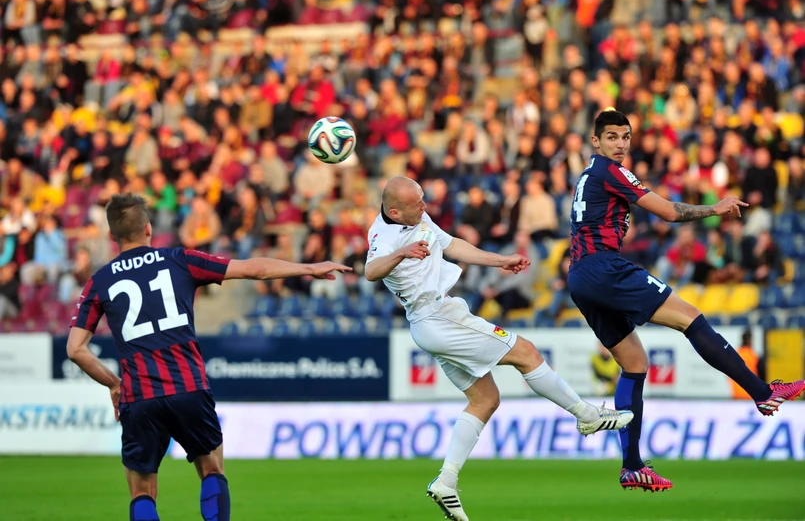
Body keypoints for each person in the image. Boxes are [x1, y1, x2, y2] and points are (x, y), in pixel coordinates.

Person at [66, 193, 350, 521]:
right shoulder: (178, 259)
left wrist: (114, 384)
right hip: (188, 387)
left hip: (140, 395)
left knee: (142, 491)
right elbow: (254, 269)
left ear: (113, 234)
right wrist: (309, 267)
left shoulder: (100, 281)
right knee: (212, 470)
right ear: (148, 228)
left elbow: (75, 349)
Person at [365, 177, 633, 521]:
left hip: (431, 323)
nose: (425, 207)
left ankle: (446, 481)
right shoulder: (385, 236)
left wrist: (499, 260)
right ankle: (587, 416)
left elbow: (453, 245)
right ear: (394, 211)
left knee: (485, 400)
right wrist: (400, 253)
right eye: (417, 204)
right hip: (438, 316)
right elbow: (370, 271)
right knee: (527, 353)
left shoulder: (416, 217)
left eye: (422, 200)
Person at [567, 109, 805, 492]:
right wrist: (715, 208)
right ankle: (763, 393)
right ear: (595, 141)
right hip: (603, 267)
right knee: (690, 317)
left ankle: (632, 466)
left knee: (634, 363)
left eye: (625, 137)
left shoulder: (587, 176)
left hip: (579, 276)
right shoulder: (610, 171)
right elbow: (668, 211)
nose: (620, 144)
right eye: (612, 137)